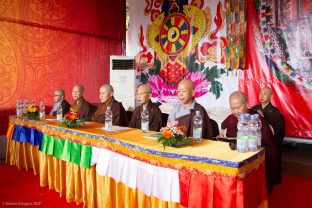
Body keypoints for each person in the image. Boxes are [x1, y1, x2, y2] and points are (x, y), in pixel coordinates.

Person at [220, 91, 279, 194]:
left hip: (254, 152)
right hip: (234, 154)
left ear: (246, 104)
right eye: (232, 108)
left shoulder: (255, 118)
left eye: (238, 108)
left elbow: (266, 141)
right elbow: (224, 127)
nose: (235, 111)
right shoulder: (231, 118)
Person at [251, 86, 285, 184]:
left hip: (269, 142)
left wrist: (263, 118)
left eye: (265, 93)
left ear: (271, 96)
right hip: (256, 140)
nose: (262, 95)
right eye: (260, 93)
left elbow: (279, 131)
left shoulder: (275, 112)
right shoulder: (254, 108)